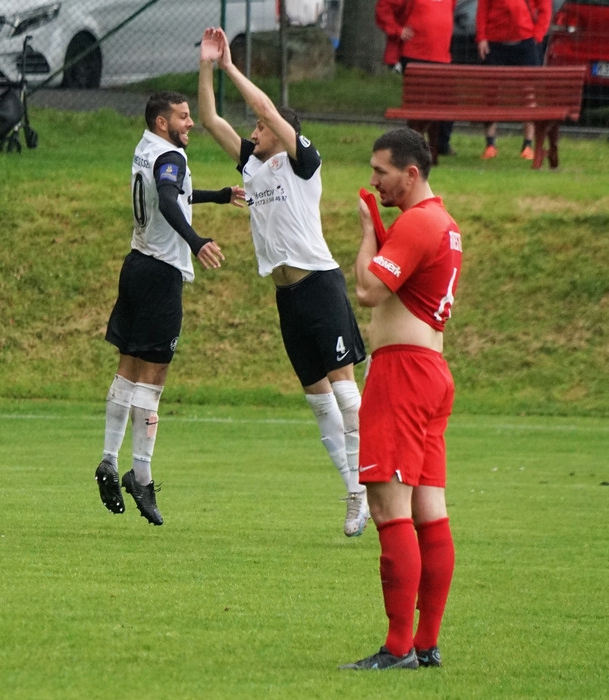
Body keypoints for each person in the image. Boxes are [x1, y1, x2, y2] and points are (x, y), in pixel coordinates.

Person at [197, 27, 370, 537]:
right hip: (286, 296)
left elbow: (268, 109)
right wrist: (206, 64)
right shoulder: (252, 167)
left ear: (281, 131)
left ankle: (369, 484)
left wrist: (231, 67)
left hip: (320, 285)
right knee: (318, 401)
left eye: (260, 126)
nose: (254, 131)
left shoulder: (302, 163)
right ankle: (354, 493)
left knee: (346, 393)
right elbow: (210, 120)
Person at [341, 128, 463, 670]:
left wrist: (369, 232)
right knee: (429, 512)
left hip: (403, 375)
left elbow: (368, 290)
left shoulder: (418, 222)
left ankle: (397, 649)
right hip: (431, 371)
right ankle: (426, 643)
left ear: (411, 174)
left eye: (381, 171)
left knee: (389, 510)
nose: (374, 181)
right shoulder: (444, 223)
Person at [94, 90, 242, 526]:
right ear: (163, 122)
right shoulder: (171, 157)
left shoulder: (146, 147)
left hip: (135, 264)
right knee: (153, 378)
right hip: (161, 273)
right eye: (183, 116)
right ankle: (140, 475)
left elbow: (172, 193)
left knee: (127, 368)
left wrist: (217, 196)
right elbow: (166, 195)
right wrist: (196, 242)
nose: (190, 123)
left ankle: (108, 457)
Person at [375, 0, 457, 156]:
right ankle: (415, 143)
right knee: (418, 104)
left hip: (442, 57)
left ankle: (440, 144)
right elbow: (384, 7)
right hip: (416, 55)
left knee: (444, 101)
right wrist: (397, 30)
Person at [476, 0, 553, 160]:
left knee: (528, 93)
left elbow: (545, 9)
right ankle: (490, 145)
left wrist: (537, 36)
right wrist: (482, 37)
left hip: (524, 42)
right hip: (496, 42)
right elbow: (483, 8)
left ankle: (527, 145)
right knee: (492, 93)